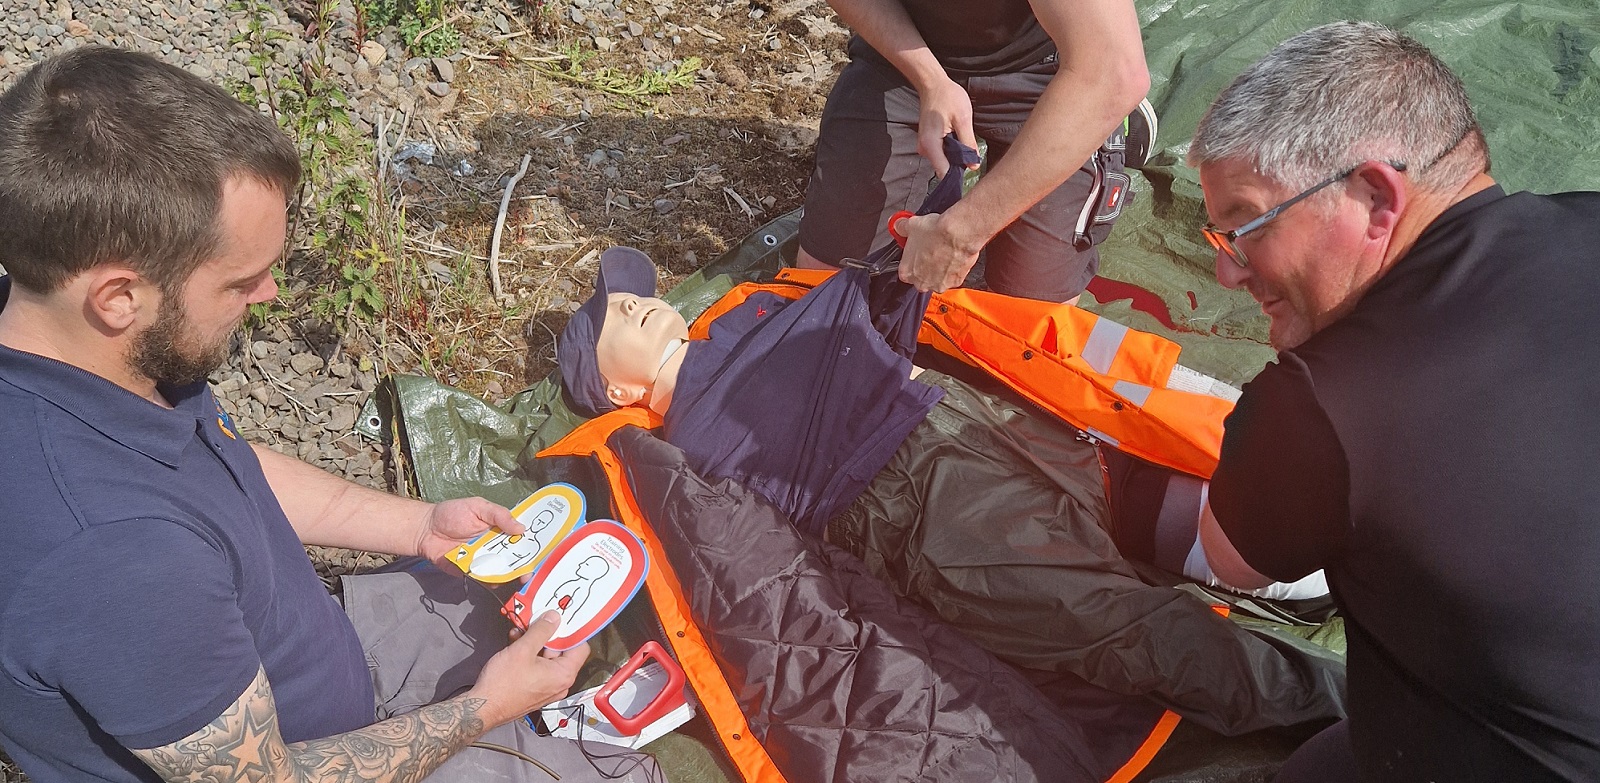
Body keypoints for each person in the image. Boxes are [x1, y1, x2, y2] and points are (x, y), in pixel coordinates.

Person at [0, 47, 657, 783]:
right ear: (119, 297)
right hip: (310, 761)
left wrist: (418, 527)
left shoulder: (77, 344)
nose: (270, 294)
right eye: (241, 281)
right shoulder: (115, 560)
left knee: (528, 606)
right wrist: (486, 707)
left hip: (316, 660)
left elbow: (222, 467)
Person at [557, 246, 1344, 735]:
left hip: (964, 413)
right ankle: (1349, 706)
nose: (637, 302)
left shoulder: (757, 309)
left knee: (1123, 491)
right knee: (1113, 621)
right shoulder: (673, 450)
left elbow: (890, 303)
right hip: (920, 510)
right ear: (615, 390)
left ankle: (1314, 574)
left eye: (632, 294)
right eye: (616, 315)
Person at [1187, 21, 1600, 781]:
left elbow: (1231, 558)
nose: (1228, 273)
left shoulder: (1323, 400)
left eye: (1244, 228)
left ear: (1376, 197)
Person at [795, 0, 1154, 303]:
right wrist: (930, 80)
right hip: (904, 54)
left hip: (1048, 71)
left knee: (1028, 317)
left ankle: (1099, 114)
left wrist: (964, 232)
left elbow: (1114, 73)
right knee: (824, 289)